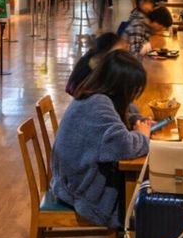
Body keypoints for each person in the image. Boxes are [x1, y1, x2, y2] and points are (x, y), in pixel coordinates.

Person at [50, 50, 152, 228]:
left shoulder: (92, 95)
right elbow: (124, 145)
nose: (134, 96)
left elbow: (116, 119)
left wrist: (136, 120)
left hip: (70, 180)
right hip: (81, 191)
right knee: (147, 193)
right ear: (121, 87)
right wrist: (143, 136)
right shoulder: (98, 104)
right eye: (133, 90)